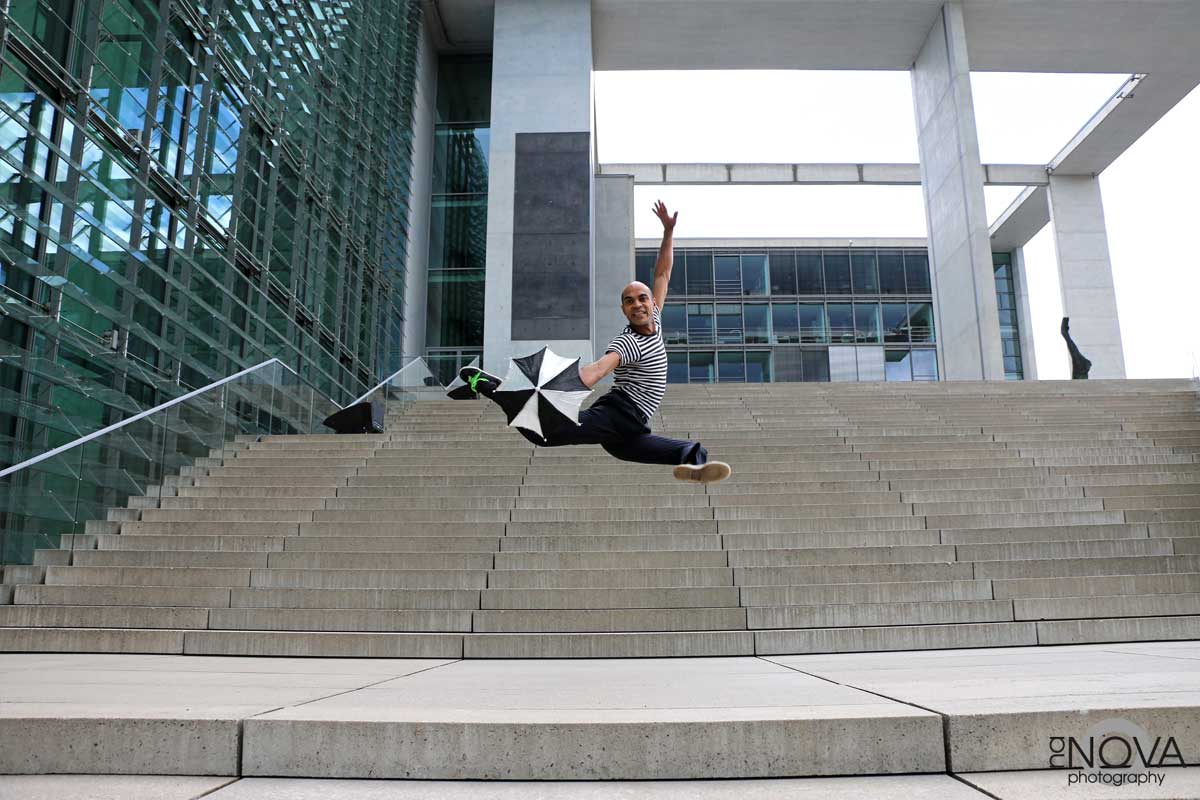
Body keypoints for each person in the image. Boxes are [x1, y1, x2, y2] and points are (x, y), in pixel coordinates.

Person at [459, 200, 732, 484]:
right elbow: (600, 369)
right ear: (624, 310)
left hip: (630, 429)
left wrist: (668, 232)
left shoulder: (656, 318)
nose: (637, 305)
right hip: (617, 414)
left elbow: (662, 273)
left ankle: (694, 459)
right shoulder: (628, 343)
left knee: (650, 449)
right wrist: (557, 391)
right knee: (543, 435)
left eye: (642, 299)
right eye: (629, 302)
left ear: (653, 303)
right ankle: (495, 388)